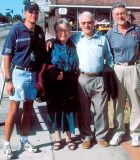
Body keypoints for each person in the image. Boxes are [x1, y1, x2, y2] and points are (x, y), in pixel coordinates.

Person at [1, 2, 45, 159]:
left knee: (28, 109)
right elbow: (7, 57)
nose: (34, 14)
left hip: (32, 75)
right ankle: (6, 144)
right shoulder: (15, 31)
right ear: (25, 13)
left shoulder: (40, 31)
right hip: (18, 74)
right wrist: (8, 80)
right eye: (31, 11)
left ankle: (24, 140)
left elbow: (41, 55)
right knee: (13, 110)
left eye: (36, 11)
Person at [70, 11, 113, 149]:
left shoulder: (102, 39)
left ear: (94, 23)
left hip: (99, 78)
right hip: (82, 79)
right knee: (84, 110)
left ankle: (101, 136)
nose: (86, 25)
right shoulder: (75, 39)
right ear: (79, 24)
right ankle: (86, 137)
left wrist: (107, 72)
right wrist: (50, 41)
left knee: (101, 110)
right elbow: (61, 40)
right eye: (83, 23)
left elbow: (110, 58)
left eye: (89, 22)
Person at [107, 2, 140, 147]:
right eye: (117, 14)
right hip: (118, 70)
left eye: (122, 13)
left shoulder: (136, 30)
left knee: (135, 102)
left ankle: (136, 133)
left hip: (133, 68)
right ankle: (119, 131)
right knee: (118, 102)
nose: (120, 16)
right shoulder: (110, 33)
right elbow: (109, 52)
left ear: (126, 13)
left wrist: (134, 61)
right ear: (113, 16)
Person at [43, 18, 79, 150]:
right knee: (55, 110)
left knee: (69, 110)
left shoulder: (74, 44)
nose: (63, 33)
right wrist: (55, 72)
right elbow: (45, 65)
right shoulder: (50, 46)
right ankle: (58, 138)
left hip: (70, 83)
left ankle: (69, 138)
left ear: (69, 31)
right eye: (60, 30)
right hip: (54, 84)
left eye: (66, 30)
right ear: (55, 31)